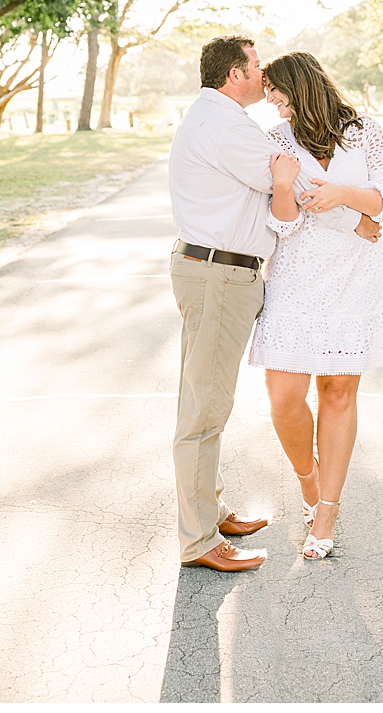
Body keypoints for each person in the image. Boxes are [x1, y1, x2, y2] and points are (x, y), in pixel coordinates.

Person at [250, 50, 383, 560]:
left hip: (354, 278)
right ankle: (307, 481)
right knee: (283, 396)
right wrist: (337, 206)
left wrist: (345, 194)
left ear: (301, 86)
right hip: (295, 279)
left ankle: (327, 512)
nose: (270, 98)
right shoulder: (274, 141)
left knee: (339, 392)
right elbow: (282, 220)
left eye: (276, 89)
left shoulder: (363, 131)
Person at [165, 35, 282, 572]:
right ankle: (200, 541)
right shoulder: (224, 124)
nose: (264, 73)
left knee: (205, 399)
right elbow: (282, 175)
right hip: (218, 274)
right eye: (257, 66)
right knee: (204, 410)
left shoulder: (218, 117)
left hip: (214, 271)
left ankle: (210, 513)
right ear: (235, 73)